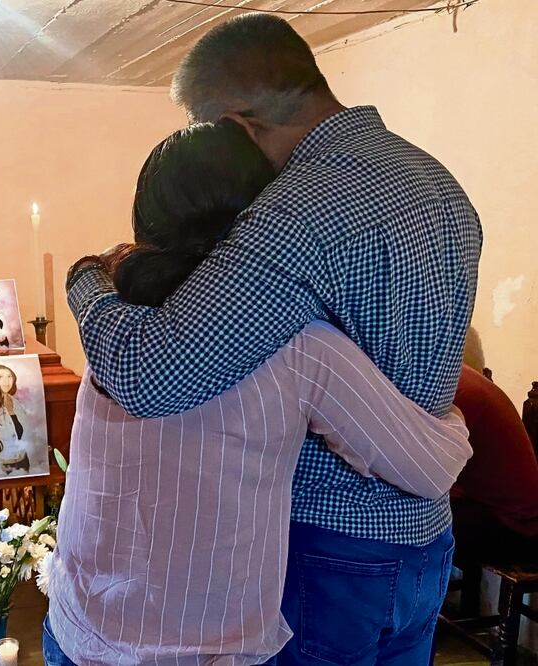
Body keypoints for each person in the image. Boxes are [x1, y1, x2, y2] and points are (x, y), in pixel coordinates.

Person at [64, 14, 481, 665]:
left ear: (239, 124)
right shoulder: (437, 181)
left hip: (329, 547)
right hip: (427, 541)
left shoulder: (298, 207)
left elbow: (149, 375)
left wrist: (86, 280)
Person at [451, 362, 538, 565]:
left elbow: (432, 480)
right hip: (497, 511)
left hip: (518, 527)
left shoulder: (453, 395)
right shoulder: (454, 377)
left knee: (412, 523)